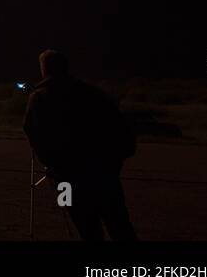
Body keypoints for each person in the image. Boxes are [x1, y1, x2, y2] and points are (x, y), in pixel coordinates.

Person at [23, 49, 137, 241]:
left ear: (44, 69)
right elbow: (122, 129)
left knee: (88, 230)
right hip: (104, 174)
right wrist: (115, 162)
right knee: (120, 227)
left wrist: (51, 164)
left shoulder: (41, 98)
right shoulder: (93, 93)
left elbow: (32, 132)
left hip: (69, 177)